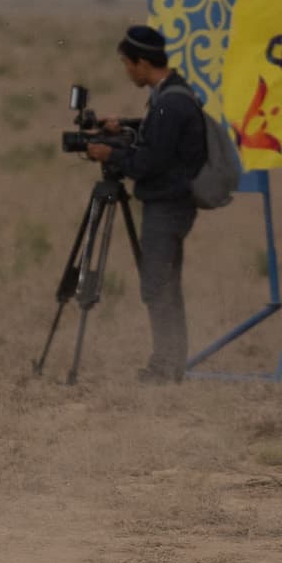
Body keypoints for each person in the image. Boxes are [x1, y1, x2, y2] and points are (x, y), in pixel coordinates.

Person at [81, 24, 209, 382]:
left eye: (127, 64)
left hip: (167, 207)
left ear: (141, 62)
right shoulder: (172, 95)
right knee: (164, 283)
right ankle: (170, 364)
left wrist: (111, 153)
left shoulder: (170, 103)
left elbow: (149, 161)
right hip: (173, 203)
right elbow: (157, 140)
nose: (127, 71)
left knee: (158, 285)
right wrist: (121, 127)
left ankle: (165, 368)